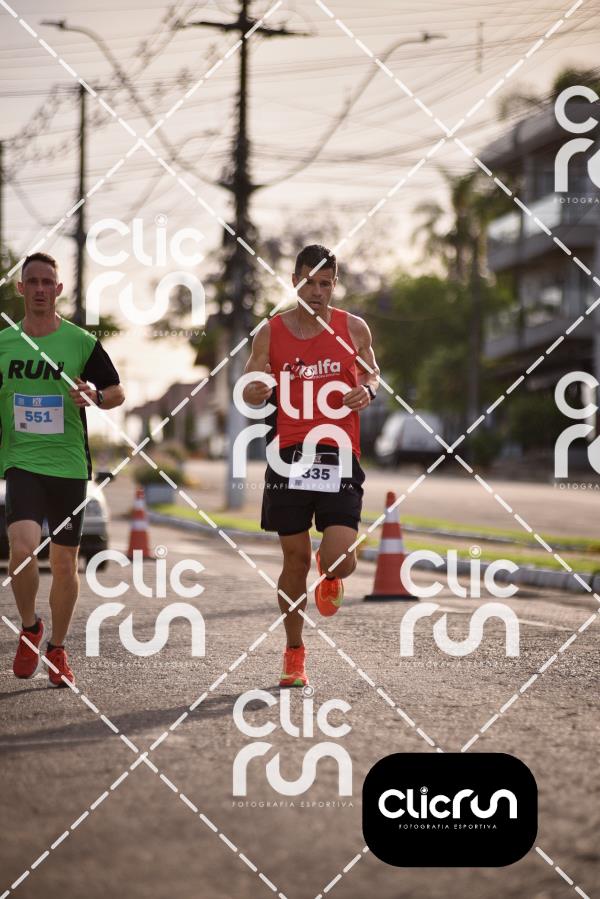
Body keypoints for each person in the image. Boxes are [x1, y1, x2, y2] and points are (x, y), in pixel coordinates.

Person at [242, 244, 380, 687]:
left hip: (338, 451)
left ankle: (332, 573)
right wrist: (256, 389)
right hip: (288, 454)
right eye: (308, 282)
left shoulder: (353, 328)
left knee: (339, 559)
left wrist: (367, 390)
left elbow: (372, 373)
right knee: (295, 558)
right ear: (294, 281)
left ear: (334, 285)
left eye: (325, 283)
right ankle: (294, 652)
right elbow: (249, 383)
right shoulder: (270, 332)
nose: (317, 291)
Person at [0, 252, 124, 687]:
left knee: (65, 563)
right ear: (20, 289)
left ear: (58, 289)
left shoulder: (80, 343)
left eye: (46, 282)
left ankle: (56, 647)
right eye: (31, 281)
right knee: (22, 549)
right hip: (21, 461)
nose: (39, 289)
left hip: (69, 465)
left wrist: (95, 396)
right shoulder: (4, 344)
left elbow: (117, 391)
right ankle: (30, 627)